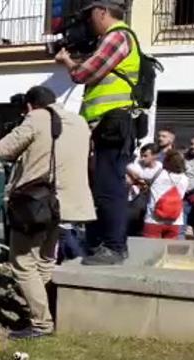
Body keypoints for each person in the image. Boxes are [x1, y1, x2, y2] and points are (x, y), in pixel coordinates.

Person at [0, 86, 96, 339]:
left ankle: (41, 323)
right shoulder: (79, 121)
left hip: (37, 203)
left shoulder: (37, 117)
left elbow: (3, 150)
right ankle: (51, 313)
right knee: (45, 259)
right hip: (67, 204)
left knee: (22, 262)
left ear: (30, 105)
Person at [55, 0, 140, 265]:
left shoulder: (117, 36)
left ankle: (113, 247)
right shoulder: (114, 39)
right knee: (104, 185)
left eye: (90, 15)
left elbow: (84, 74)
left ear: (102, 11)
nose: (89, 21)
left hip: (113, 122)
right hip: (108, 124)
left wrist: (68, 61)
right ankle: (108, 243)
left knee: (109, 187)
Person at [130, 150, 189, 239]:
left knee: (151, 250)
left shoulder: (158, 173)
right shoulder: (185, 179)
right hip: (175, 221)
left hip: (153, 219)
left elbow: (137, 174)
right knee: (169, 252)